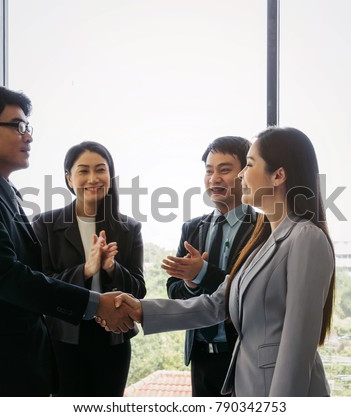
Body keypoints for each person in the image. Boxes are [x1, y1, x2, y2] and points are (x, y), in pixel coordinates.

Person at [0, 85, 133, 397]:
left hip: (26, 367)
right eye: (18, 126)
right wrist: (95, 303)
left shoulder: (6, 193)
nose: (28, 136)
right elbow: (9, 278)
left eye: (28, 127)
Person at [108, 127, 336, 397]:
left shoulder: (305, 238)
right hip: (246, 386)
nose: (241, 175)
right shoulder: (265, 240)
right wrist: (141, 310)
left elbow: (297, 350)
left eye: (249, 165)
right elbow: (216, 304)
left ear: (278, 175)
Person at [32, 141, 146, 396]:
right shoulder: (45, 225)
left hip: (113, 338)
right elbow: (40, 285)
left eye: (100, 170)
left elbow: (138, 289)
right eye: (83, 171)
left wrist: (111, 268)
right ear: (69, 179)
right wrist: (85, 270)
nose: (93, 178)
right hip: (63, 338)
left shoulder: (129, 228)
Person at [163, 136, 258, 397]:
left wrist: (202, 273)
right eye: (209, 170)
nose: (214, 178)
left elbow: (251, 292)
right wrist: (190, 283)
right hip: (201, 357)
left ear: (245, 173)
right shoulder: (191, 229)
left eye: (224, 170)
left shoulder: (264, 229)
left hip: (243, 355)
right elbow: (174, 292)